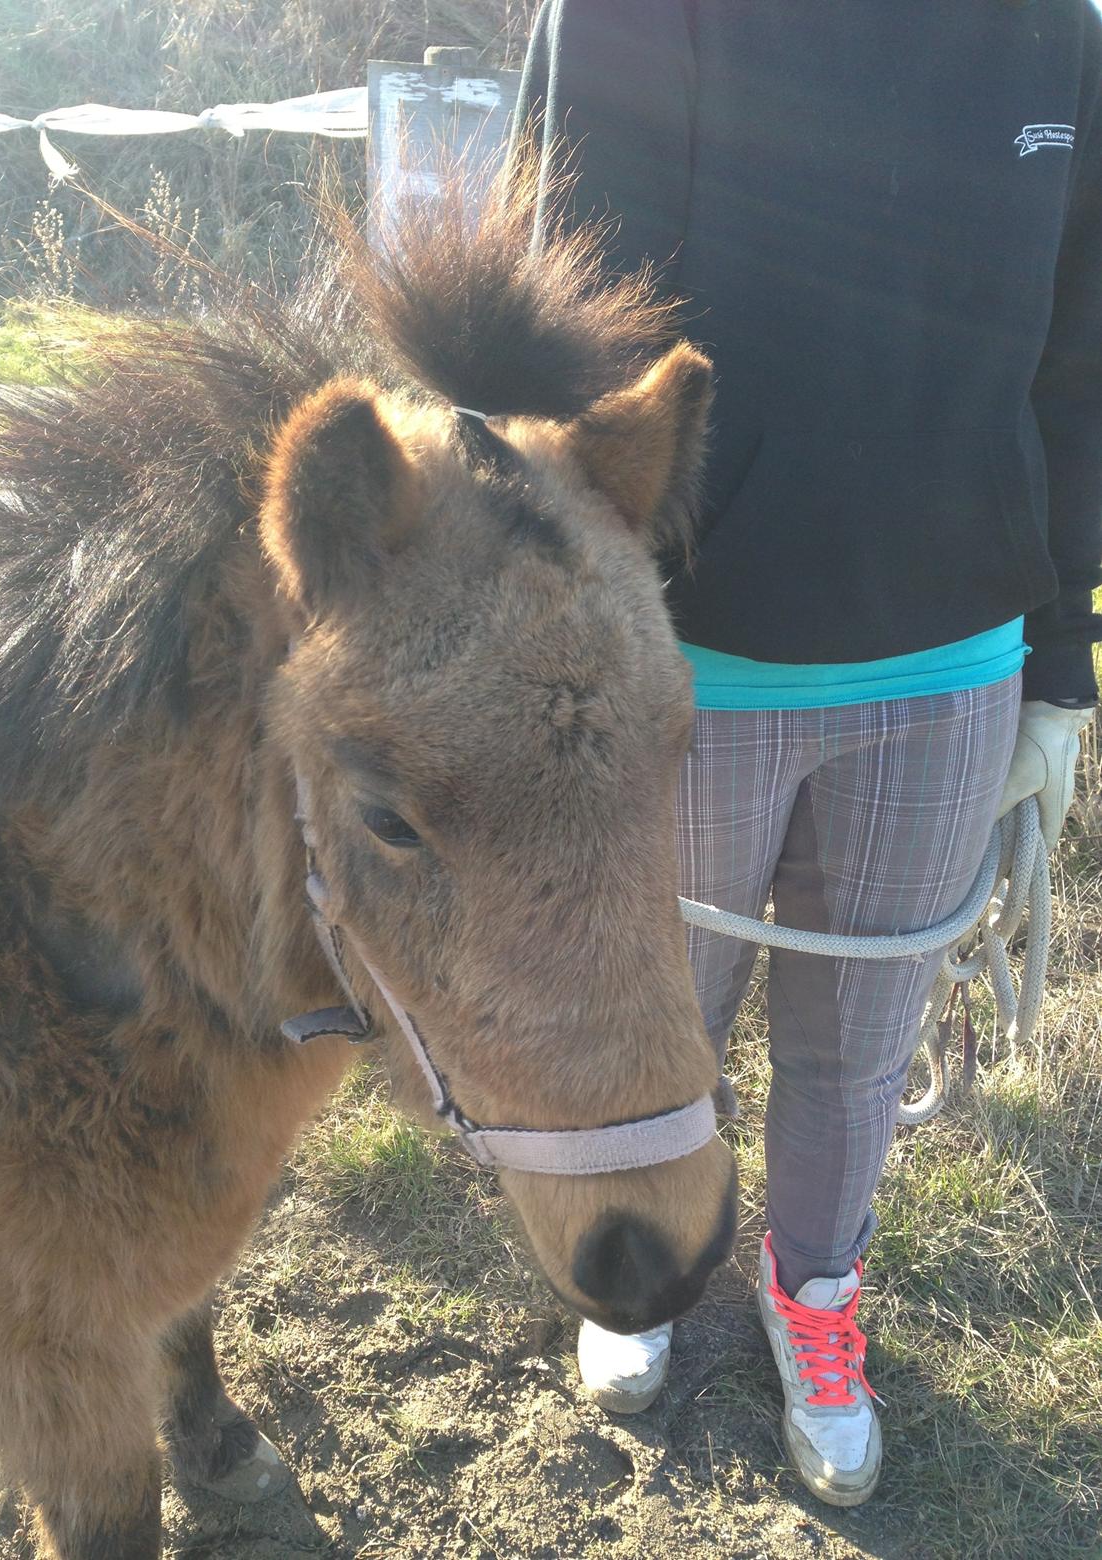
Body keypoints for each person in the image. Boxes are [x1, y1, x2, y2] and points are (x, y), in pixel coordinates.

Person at [512, 0, 1101, 1507]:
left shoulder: (1056, 39)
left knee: (857, 1043)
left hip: (950, 661)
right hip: (696, 656)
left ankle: (815, 1298)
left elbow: (1075, 370)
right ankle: (636, 1266)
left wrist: (1055, 662)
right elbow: (564, 345)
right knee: (665, 1013)